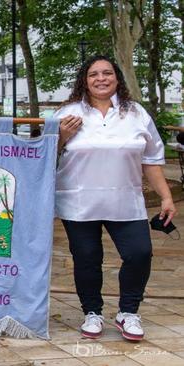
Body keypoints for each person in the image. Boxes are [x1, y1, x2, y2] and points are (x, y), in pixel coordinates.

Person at [55, 55, 177, 341]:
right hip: (78, 202)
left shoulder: (136, 113)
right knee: (87, 259)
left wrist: (166, 197)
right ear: (84, 80)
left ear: (117, 78)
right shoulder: (68, 112)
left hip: (126, 200)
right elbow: (41, 155)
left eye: (107, 73)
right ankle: (92, 313)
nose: (101, 78)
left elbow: (151, 160)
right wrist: (60, 136)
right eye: (93, 74)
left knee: (139, 253)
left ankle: (128, 312)